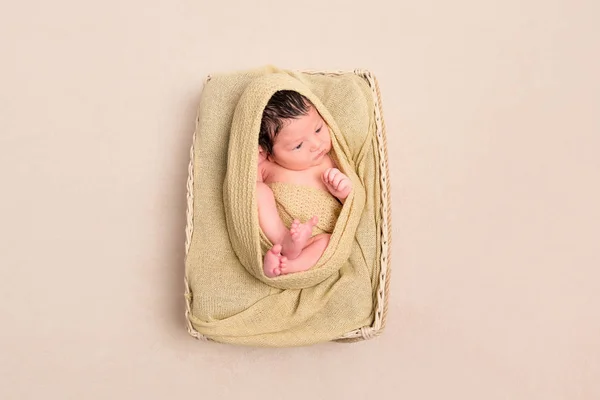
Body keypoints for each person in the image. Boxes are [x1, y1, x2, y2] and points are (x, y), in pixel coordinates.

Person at [257, 90, 352, 277]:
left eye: (318, 129)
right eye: (298, 146)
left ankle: (288, 266)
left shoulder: (329, 160)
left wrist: (343, 192)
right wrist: (255, 156)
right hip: (280, 232)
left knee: (329, 244)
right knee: (257, 192)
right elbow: (243, 187)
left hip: (318, 236)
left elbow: (352, 207)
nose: (316, 144)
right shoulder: (266, 165)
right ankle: (283, 242)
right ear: (269, 152)